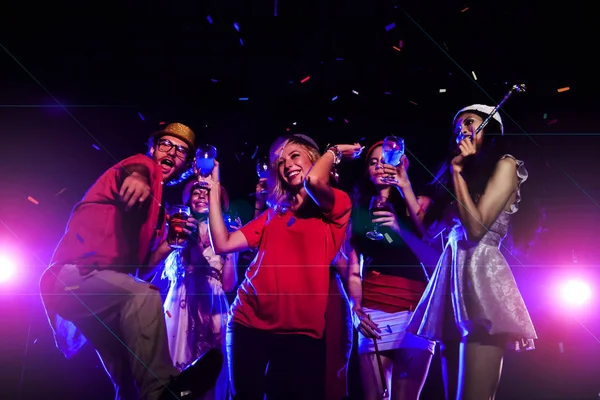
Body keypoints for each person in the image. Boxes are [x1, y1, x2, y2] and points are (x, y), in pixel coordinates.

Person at [39, 123, 223, 400]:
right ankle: (163, 389)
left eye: (182, 151)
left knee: (127, 376)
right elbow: (135, 169)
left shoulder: (160, 215)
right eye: (166, 145)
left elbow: (142, 270)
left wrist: (169, 244)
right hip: (72, 276)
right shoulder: (142, 166)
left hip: (104, 293)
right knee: (144, 295)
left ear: (185, 163)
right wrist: (137, 177)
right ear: (152, 148)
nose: (172, 152)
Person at [204, 134, 361, 400]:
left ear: (314, 160)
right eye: (280, 162)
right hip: (247, 321)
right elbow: (222, 243)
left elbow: (314, 182)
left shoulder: (337, 206)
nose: (286, 164)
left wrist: (333, 150)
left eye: (295, 155)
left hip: (299, 331)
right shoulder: (273, 214)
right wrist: (213, 188)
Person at [407, 105, 538, 400]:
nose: (461, 131)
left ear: (491, 128)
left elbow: (476, 230)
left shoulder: (505, 164)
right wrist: (404, 182)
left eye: (469, 122)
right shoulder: (464, 177)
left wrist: (456, 172)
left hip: (482, 281)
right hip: (451, 285)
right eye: (456, 128)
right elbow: (430, 233)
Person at [344, 141, 436, 400]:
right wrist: (356, 309)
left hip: (416, 311)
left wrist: (400, 227)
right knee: (374, 397)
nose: (379, 166)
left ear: (399, 162)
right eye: (372, 162)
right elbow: (353, 270)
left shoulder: (419, 203)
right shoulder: (357, 213)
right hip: (375, 311)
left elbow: (431, 250)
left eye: (385, 159)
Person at [150, 180, 240, 400]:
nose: (201, 197)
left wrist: (234, 251)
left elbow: (229, 284)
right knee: (174, 366)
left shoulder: (226, 233)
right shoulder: (179, 228)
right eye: (196, 193)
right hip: (181, 301)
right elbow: (152, 268)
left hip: (213, 304)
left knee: (210, 372)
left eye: (207, 193)